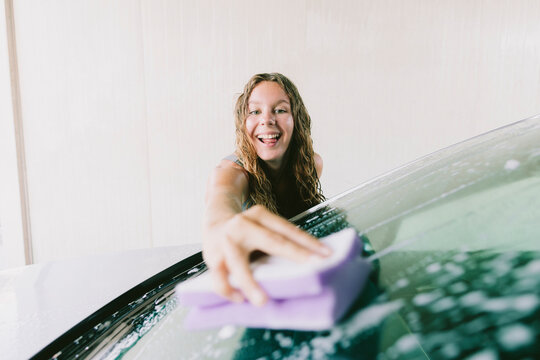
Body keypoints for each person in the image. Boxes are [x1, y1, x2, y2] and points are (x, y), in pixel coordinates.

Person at [202, 73, 332, 307]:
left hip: (303, 282)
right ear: (243, 122)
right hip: (256, 295)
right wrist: (219, 229)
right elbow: (221, 198)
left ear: (297, 119)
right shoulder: (232, 172)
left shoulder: (312, 165)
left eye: (280, 110)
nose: (267, 120)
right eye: (255, 111)